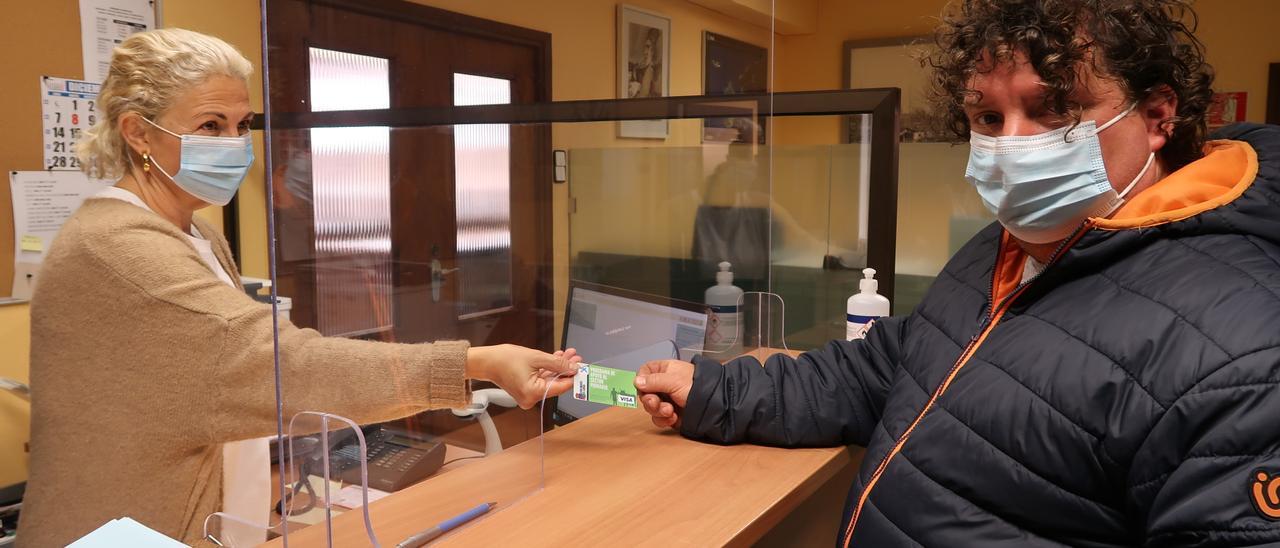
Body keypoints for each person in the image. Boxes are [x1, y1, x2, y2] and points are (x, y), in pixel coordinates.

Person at [635, 1, 1280, 546]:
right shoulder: (1013, 243)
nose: (1013, 146)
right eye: (988, 118)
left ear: (1158, 117)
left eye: (1055, 110)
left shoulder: (1246, 350)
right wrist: (716, 392)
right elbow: (885, 369)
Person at [18, 28, 580, 546]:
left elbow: (213, 384)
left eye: (242, 125)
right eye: (210, 125)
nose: (234, 143)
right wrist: (474, 362)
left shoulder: (197, 234)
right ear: (138, 131)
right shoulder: (117, 247)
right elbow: (280, 366)